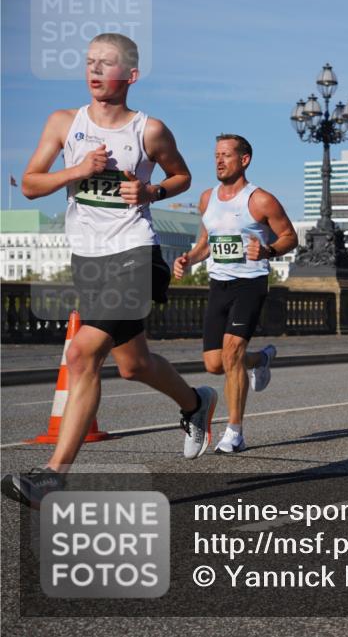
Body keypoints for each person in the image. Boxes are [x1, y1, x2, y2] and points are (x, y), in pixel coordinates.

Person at [2, 33, 217, 507]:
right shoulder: (65, 122)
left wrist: (152, 193)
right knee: (133, 365)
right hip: (89, 257)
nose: (95, 71)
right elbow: (34, 184)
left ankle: (53, 477)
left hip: (135, 252)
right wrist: (76, 170)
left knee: (82, 355)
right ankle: (195, 402)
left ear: (130, 76)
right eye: (89, 63)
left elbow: (180, 175)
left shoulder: (148, 130)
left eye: (107, 64)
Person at [173, 134, 297, 453]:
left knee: (231, 353)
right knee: (215, 363)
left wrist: (267, 250)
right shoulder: (206, 198)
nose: (219, 160)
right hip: (219, 284)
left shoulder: (260, 200)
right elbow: (205, 242)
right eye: (216, 155)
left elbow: (289, 237)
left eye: (226, 155)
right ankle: (260, 359)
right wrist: (189, 259)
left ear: (244, 160)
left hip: (249, 283)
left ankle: (235, 431)